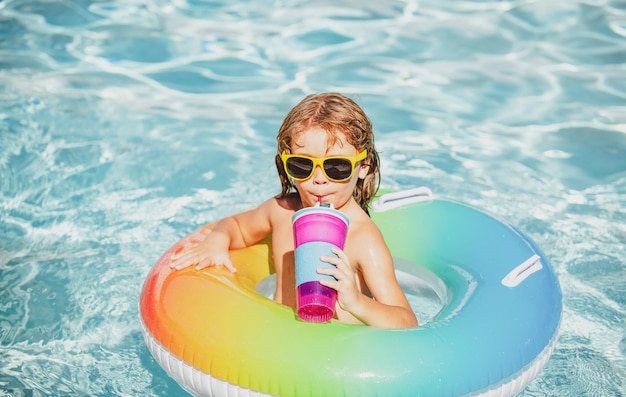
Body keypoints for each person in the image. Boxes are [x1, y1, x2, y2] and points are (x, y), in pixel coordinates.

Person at [170, 93, 418, 329]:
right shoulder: (281, 211)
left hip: (335, 352)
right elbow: (236, 226)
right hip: (283, 339)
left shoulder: (363, 239)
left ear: (364, 167)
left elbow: (406, 321)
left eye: (337, 167)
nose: (319, 179)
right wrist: (217, 239)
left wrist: (357, 302)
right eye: (302, 165)